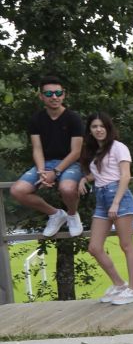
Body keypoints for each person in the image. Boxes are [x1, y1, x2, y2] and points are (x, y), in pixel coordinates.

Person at [11, 76, 85, 238]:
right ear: (41, 96)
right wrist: (41, 171)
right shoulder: (36, 119)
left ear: (64, 95)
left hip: (71, 163)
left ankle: (72, 215)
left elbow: (76, 152)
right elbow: (37, 149)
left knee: (67, 188)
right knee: (18, 191)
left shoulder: (73, 119)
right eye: (49, 93)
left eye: (58, 93)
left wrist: (56, 172)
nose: (54, 97)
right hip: (46, 163)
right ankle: (56, 214)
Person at [80, 112, 133, 305]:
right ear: (89, 130)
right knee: (94, 247)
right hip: (101, 197)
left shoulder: (118, 147)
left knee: (126, 245)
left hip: (118, 197)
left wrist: (115, 202)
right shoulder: (95, 151)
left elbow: (125, 175)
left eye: (101, 126)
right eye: (94, 127)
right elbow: (100, 173)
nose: (98, 130)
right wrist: (84, 178)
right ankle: (119, 283)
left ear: (108, 128)